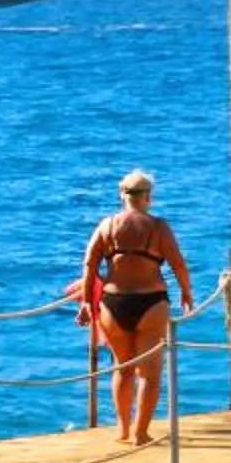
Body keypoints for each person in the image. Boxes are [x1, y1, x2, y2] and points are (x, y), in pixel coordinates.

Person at [80, 171, 194, 445]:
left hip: (113, 302)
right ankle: (140, 433)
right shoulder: (158, 227)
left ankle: (122, 429)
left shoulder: (107, 226)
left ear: (123, 195)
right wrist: (186, 292)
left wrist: (86, 301)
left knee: (123, 367)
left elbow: (90, 264)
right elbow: (177, 263)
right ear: (148, 197)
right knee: (151, 374)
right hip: (150, 301)